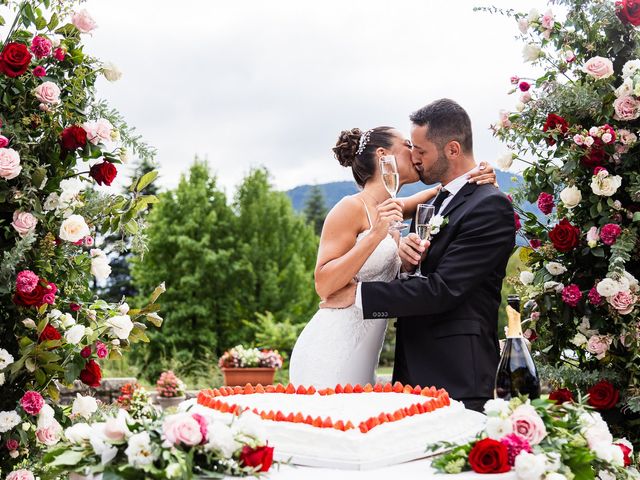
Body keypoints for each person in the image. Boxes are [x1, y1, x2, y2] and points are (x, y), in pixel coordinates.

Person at [320, 99, 516, 411]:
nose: (415, 158)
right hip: (413, 370)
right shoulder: (436, 203)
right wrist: (408, 264)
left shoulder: (488, 205)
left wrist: (359, 295)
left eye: (421, 151)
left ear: (452, 149)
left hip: (457, 372)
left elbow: (445, 289)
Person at [288, 124, 497, 388]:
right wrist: (376, 235)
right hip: (333, 347)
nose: (415, 153)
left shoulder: (395, 207)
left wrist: (477, 174)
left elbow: (444, 192)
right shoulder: (350, 207)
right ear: (383, 155)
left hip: (366, 351)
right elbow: (323, 285)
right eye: (408, 146)